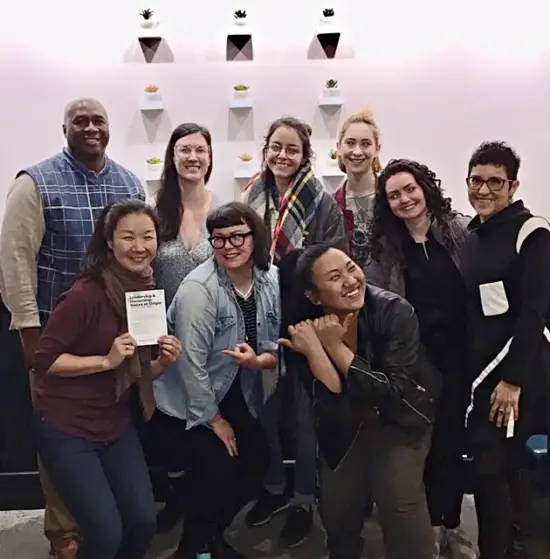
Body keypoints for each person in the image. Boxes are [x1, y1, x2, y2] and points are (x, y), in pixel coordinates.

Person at [0, 98, 146, 559]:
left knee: (109, 420)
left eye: (98, 120)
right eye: (79, 121)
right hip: (54, 332)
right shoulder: (35, 182)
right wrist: (27, 327)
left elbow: (142, 259)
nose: (89, 128)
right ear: (63, 128)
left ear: (109, 128)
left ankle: (109, 518)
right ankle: (65, 532)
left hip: (117, 332)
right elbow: (16, 259)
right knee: (62, 428)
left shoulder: (128, 182)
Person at [31, 199, 182, 559]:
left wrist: (164, 362)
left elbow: (135, 374)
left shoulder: (144, 288)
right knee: (104, 532)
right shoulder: (87, 293)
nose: (139, 246)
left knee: (144, 522)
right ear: (109, 242)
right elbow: (43, 361)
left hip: (114, 421)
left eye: (147, 237)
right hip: (67, 425)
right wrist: (104, 360)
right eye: (127, 237)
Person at [279, 241, 441, 559]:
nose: (351, 280)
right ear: (313, 296)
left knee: (401, 506)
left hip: (399, 419)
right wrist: (315, 349)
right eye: (335, 277)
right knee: (338, 511)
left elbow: (393, 393)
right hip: (344, 424)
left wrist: (336, 348)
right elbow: (334, 393)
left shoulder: (394, 311)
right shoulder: (301, 325)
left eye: (351, 267)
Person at [151, 202, 280, 559]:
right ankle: (193, 549)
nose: (228, 246)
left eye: (238, 236)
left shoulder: (269, 278)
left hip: (234, 388)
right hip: (185, 403)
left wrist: (259, 360)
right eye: (219, 239)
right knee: (219, 469)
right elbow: (190, 366)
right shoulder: (199, 290)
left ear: (255, 237)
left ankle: (210, 536)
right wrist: (216, 421)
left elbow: (273, 345)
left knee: (256, 461)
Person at [242, 116, 345, 548]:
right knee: (263, 408)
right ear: (266, 149)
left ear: (305, 155)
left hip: (305, 320)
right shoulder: (252, 193)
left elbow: (335, 258)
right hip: (263, 315)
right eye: (276, 147)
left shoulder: (321, 201)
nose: (283, 156)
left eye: (292, 149)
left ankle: (303, 497)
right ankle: (271, 487)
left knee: (305, 418)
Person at [366, 159, 475, 558]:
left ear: (425, 187)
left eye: (409, 189)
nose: (404, 199)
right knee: (420, 448)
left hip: (462, 357)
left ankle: (450, 525)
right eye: (393, 195)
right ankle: (426, 527)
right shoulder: (385, 249)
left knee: (452, 441)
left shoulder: (461, 232)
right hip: (415, 364)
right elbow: (377, 306)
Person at [462, 141, 550, 559]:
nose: (484, 189)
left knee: (496, 469)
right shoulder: (473, 233)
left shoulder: (532, 233)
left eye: (495, 181)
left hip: (517, 375)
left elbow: (534, 314)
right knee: (496, 469)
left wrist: (512, 380)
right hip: (483, 373)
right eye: (476, 180)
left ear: (513, 185)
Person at [149, 122, 222, 533]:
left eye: (200, 149)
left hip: (214, 339)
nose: (193, 157)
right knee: (170, 426)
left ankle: (204, 507)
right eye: (184, 150)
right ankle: (176, 498)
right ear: (172, 156)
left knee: (207, 422)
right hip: (164, 340)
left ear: (210, 158)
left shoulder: (225, 209)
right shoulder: (154, 211)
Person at [333, 110, 382, 268]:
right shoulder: (331, 205)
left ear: (377, 149)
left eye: (366, 144)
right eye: (350, 143)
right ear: (339, 148)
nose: (357, 151)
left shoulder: (392, 197)